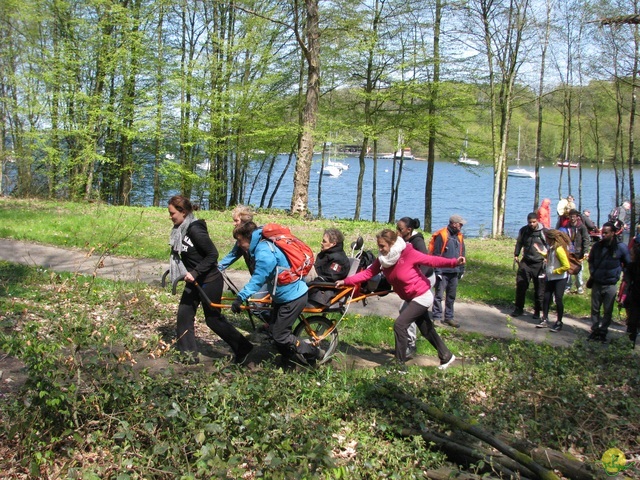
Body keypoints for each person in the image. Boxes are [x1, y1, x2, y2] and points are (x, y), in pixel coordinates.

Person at [335, 229, 465, 368]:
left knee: (400, 325)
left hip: (421, 296)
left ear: (392, 244)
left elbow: (431, 260)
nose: (380, 249)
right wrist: (346, 281)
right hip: (411, 298)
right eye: (379, 245)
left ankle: (400, 365)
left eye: (382, 246)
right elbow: (368, 273)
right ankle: (446, 356)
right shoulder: (383, 260)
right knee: (427, 329)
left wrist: (454, 262)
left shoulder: (408, 253)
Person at [168, 195, 253, 364]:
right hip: (195, 281)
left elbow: (212, 254)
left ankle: (243, 347)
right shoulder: (181, 230)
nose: (170, 217)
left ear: (183, 212)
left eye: (172, 213)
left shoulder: (194, 229)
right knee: (184, 315)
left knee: (213, 320)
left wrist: (196, 272)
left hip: (209, 280)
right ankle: (188, 356)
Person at [231, 221, 325, 365]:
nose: (238, 245)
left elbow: (258, 279)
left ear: (248, 238)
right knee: (274, 332)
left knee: (280, 335)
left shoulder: (264, 252)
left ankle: (313, 352)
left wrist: (240, 298)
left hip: (293, 297)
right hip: (283, 296)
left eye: (239, 241)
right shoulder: (261, 244)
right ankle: (289, 360)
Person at [396, 217, 434, 358]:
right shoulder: (404, 241)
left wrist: (416, 279)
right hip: (415, 279)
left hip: (426, 278)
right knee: (421, 319)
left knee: (405, 310)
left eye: (400, 229)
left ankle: (410, 344)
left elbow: (425, 262)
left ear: (409, 230)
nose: (397, 232)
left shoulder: (417, 242)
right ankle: (444, 352)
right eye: (397, 228)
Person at [587, 222, 631, 342]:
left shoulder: (620, 247)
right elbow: (590, 260)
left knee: (608, 310)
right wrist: (592, 272)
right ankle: (595, 330)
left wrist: (624, 277)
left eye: (606, 233)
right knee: (595, 309)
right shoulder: (597, 246)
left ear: (613, 233)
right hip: (597, 282)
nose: (603, 235)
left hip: (611, 284)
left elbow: (628, 263)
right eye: (602, 232)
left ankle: (603, 331)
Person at [430, 214, 466, 328]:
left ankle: (449, 318)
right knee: (439, 296)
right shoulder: (442, 235)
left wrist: (461, 270)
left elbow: (462, 253)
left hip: (454, 272)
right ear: (453, 224)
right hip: (443, 272)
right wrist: (437, 271)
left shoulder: (459, 236)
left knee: (451, 296)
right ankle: (436, 317)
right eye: (460, 224)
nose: (461, 226)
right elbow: (436, 254)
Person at [512, 213, 548, 318]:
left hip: (539, 263)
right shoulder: (524, 230)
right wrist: (516, 254)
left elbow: (549, 245)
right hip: (526, 262)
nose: (532, 224)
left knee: (539, 288)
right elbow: (519, 243)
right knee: (521, 285)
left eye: (534, 222)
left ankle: (537, 311)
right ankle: (518, 308)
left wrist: (547, 258)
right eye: (530, 222)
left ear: (537, 221)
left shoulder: (544, 232)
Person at [534, 230, 571, 332]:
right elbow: (549, 257)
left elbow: (566, 266)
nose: (546, 240)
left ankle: (559, 322)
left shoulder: (559, 249)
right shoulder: (551, 248)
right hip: (550, 278)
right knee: (546, 298)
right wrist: (541, 252)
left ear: (551, 238)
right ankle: (545, 318)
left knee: (558, 299)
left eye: (547, 238)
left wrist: (555, 271)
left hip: (560, 278)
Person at [218, 205, 256, 272]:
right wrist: (215, 270)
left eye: (236, 221)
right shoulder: (241, 239)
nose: (234, 223)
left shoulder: (255, 237)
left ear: (245, 221)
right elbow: (232, 255)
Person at [564, 209, 590, 295]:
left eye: (573, 217)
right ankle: (567, 287)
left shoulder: (581, 227)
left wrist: (586, 251)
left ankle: (579, 287)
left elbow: (586, 239)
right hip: (569, 252)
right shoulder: (566, 227)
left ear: (577, 217)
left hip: (579, 252)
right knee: (568, 269)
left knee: (578, 270)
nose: (572, 218)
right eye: (570, 216)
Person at [623, 242, 640, 347]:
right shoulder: (631, 267)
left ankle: (631, 343)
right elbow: (627, 281)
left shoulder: (632, 267)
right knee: (633, 322)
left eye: (632, 254)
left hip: (635, 297)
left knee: (633, 322)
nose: (630, 256)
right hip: (634, 297)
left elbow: (627, 281)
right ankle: (630, 343)